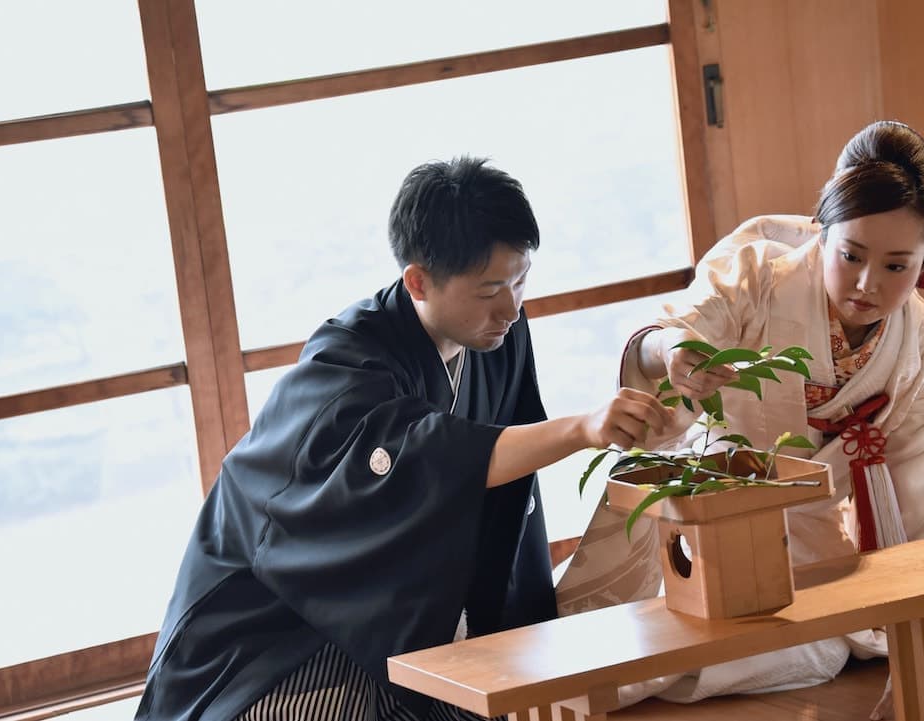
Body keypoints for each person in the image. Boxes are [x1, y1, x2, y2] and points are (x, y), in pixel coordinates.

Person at [135, 156, 672, 721]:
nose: (512, 307)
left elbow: (497, 461)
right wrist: (584, 427)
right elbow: (433, 458)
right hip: (274, 624)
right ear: (418, 280)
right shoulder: (343, 365)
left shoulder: (495, 330)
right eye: (490, 288)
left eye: (520, 280)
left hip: (386, 619)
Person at [562, 120, 924, 720]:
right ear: (822, 231)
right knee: (621, 649)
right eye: (851, 255)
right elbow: (678, 328)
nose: (866, 283)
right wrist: (672, 355)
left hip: (821, 534)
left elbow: (918, 485)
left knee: (822, 649)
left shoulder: (919, 339)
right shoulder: (757, 273)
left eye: (896, 267)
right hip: (713, 510)